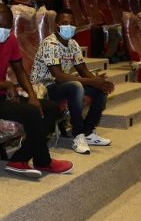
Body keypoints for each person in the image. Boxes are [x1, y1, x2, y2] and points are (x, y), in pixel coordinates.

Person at [0, 3, 73, 176]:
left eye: (7, 26)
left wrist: (32, 96)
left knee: (51, 108)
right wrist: (7, 85)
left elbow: (20, 71)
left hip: (0, 98)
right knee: (31, 113)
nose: (3, 30)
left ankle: (21, 158)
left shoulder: (10, 39)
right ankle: (42, 161)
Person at [30, 8, 114, 154]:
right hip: (44, 88)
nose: (69, 27)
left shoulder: (73, 44)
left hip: (61, 85)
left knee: (99, 90)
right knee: (77, 86)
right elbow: (58, 76)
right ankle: (78, 135)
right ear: (57, 25)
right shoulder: (50, 44)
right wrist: (92, 81)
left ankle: (88, 132)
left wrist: (99, 82)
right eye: (65, 23)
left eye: (71, 24)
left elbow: (83, 70)